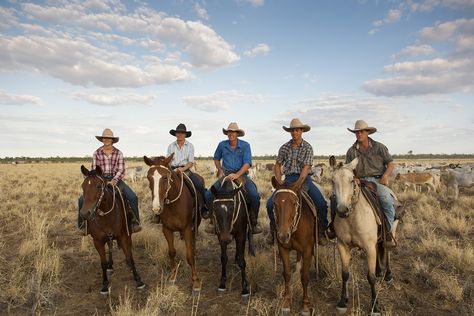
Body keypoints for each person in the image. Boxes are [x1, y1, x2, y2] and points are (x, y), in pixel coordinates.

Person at [266, 118, 329, 245]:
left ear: (302, 131)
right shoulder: (284, 147)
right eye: (293, 130)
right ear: (290, 132)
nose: (295, 132)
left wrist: (299, 183)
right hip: (288, 179)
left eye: (297, 130)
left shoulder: (307, 147)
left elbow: (307, 167)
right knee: (269, 204)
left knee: (321, 204)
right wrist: (279, 181)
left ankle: (321, 231)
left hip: (304, 179)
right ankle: (273, 229)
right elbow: (277, 165)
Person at [339, 119, 398, 246]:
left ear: (367, 132)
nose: (359, 134)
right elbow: (349, 168)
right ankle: (335, 229)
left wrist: (385, 176)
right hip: (358, 181)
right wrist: (353, 178)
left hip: (376, 180)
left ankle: (387, 232)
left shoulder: (379, 147)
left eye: (362, 132)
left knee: (387, 200)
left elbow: (391, 163)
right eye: (357, 132)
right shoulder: (351, 151)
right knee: (338, 199)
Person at [78, 128, 141, 235]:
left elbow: (121, 170)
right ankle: (82, 225)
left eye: (109, 138)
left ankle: (135, 222)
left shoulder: (118, 153)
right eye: (104, 138)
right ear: (102, 140)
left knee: (132, 197)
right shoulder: (97, 153)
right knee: (81, 200)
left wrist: (114, 180)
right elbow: (94, 170)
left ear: (112, 140)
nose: (106, 140)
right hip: (100, 180)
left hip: (115, 179)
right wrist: (99, 180)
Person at [204, 122, 263, 234]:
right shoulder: (222, 145)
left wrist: (237, 175)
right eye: (229, 131)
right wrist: (220, 170)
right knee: (208, 195)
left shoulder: (245, 145)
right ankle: (212, 221)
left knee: (254, 196)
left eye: (233, 132)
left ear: (237, 134)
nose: (231, 134)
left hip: (241, 175)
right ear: (227, 133)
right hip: (225, 175)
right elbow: (216, 158)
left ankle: (254, 221)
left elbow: (247, 163)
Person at [167, 123, 208, 218]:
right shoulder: (170, 146)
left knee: (199, 185)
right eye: (178, 133)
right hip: (173, 170)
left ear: (185, 135)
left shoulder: (190, 146)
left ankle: (203, 208)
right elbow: (168, 161)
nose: (180, 134)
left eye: (182, 133)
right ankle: (159, 211)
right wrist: (171, 170)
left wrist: (182, 169)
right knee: (162, 186)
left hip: (186, 170)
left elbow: (190, 162)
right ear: (175, 134)